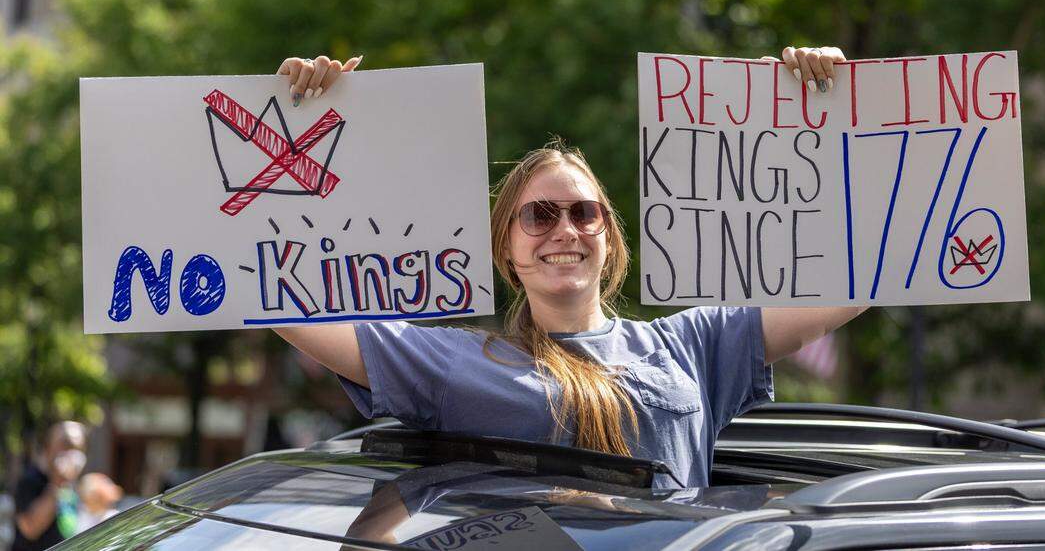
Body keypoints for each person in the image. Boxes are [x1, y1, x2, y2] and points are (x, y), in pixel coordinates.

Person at [273, 47, 865, 488]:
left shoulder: (696, 343)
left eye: (584, 212)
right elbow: (275, 299)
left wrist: (813, 109)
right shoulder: (451, 360)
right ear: (506, 248)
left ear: (608, 235)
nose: (565, 230)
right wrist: (294, 118)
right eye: (539, 215)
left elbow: (860, 280)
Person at [12, 421, 86, 551]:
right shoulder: (30, 480)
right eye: (66, 445)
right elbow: (30, 529)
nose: (71, 454)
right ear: (47, 448)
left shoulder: (72, 484)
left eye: (78, 448)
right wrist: (57, 483)